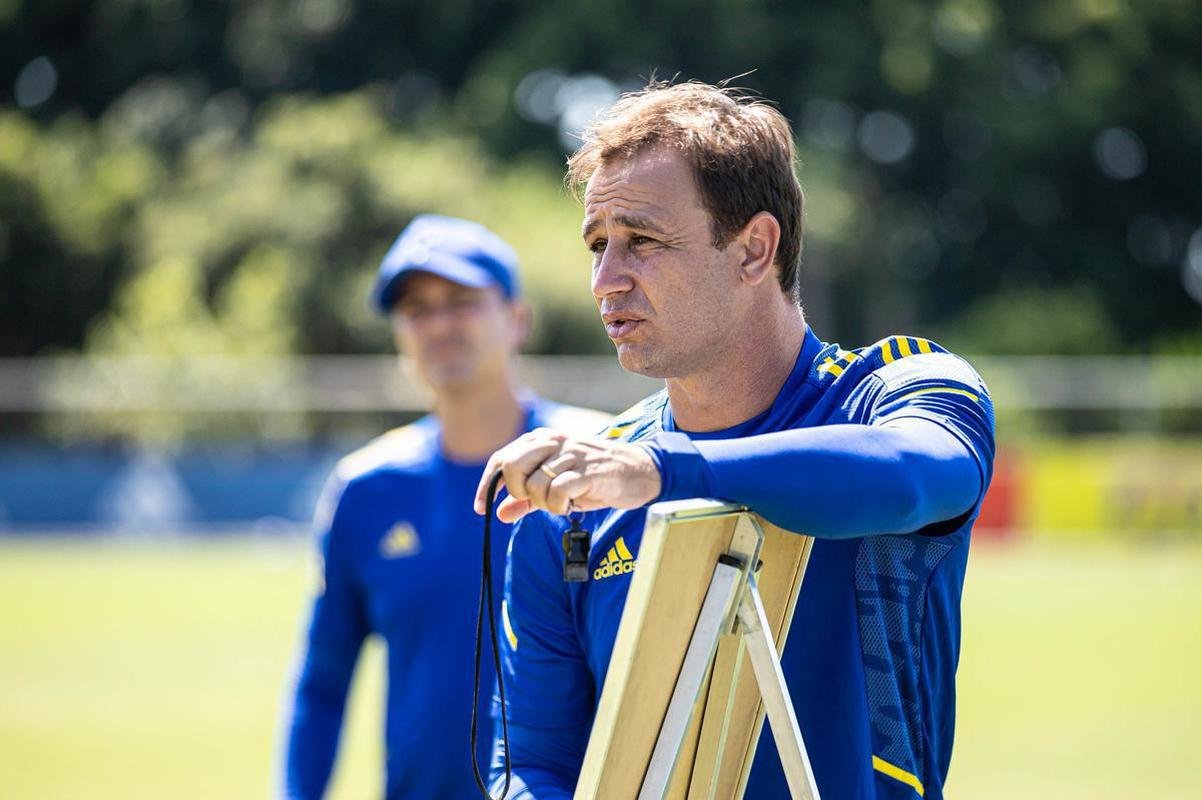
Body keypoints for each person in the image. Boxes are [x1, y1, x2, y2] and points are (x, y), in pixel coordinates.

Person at [475, 82, 996, 800]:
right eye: (599, 245)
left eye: (643, 241)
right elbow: (532, 763)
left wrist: (664, 471)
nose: (605, 281)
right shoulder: (585, 495)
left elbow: (913, 476)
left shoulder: (900, 389)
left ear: (754, 250)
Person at [281, 214, 608, 799]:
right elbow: (322, 684)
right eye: (416, 309)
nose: (438, 324)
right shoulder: (365, 489)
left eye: (460, 301)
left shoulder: (601, 460)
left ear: (517, 319)